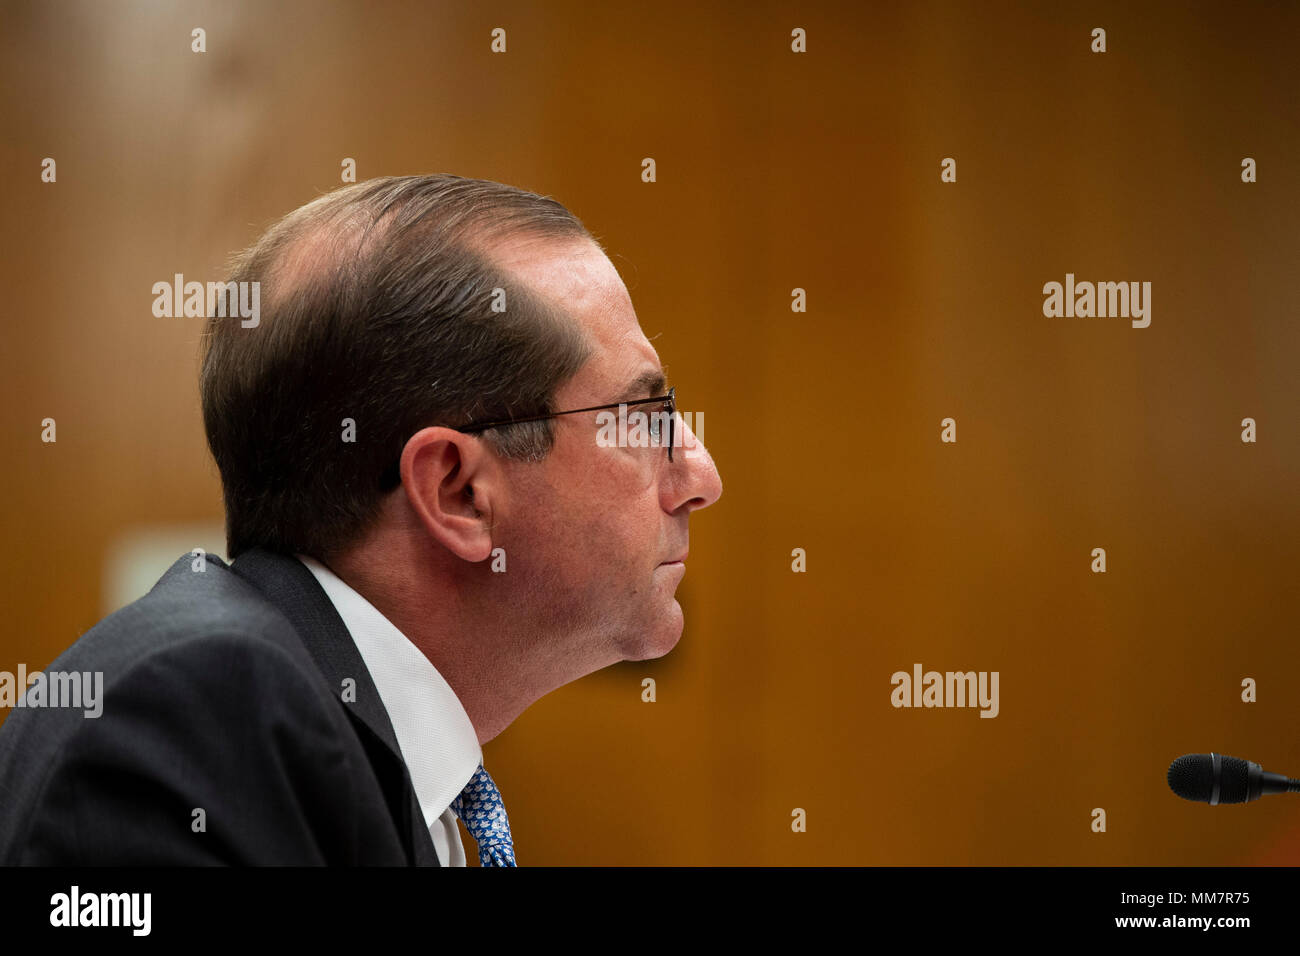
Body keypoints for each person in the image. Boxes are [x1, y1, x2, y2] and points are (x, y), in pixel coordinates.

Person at [0, 174, 723, 865]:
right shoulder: (201, 720)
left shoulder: (345, 744)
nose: (701, 476)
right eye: (642, 416)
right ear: (457, 492)